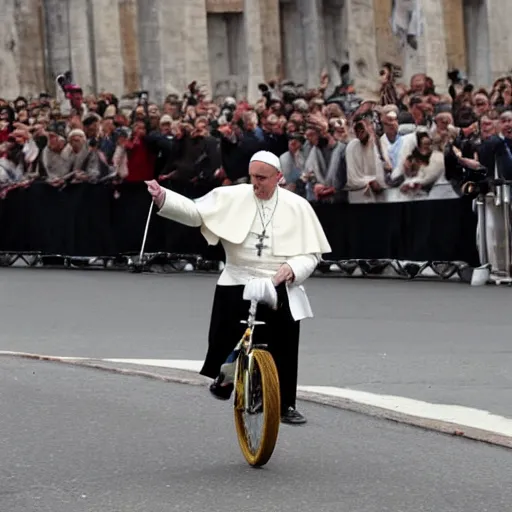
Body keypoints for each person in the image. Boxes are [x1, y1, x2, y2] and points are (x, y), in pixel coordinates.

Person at [146, 150, 331, 425]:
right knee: (227, 333)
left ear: (279, 177)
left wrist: (292, 270)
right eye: (253, 176)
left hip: (277, 279)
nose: (256, 183)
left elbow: (312, 254)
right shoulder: (232, 196)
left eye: (263, 178)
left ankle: (284, 404)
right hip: (237, 276)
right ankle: (226, 376)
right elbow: (197, 213)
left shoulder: (298, 206)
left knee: (285, 339)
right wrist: (164, 198)